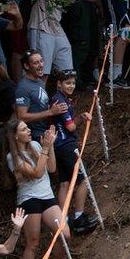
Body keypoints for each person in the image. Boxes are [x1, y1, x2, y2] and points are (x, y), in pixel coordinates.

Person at [4, 119, 67, 259]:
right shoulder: (13, 157)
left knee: (64, 233)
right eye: (24, 129)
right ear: (16, 135)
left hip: (47, 195)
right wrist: (45, 148)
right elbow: (37, 173)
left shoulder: (36, 146)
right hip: (28, 199)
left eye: (28, 127)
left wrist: (50, 145)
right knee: (33, 242)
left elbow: (52, 168)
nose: (29, 130)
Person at [29, 0, 115, 80]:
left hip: (56, 29)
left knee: (67, 70)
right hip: (41, 27)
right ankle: (38, 96)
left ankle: (62, 96)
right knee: (42, 71)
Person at [50, 70, 100, 233]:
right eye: (67, 83)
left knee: (64, 183)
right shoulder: (61, 102)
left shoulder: (59, 99)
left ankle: (64, 219)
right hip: (67, 145)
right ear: (59, 84)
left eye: (73, 83)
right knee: (85, 178)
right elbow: (70, 126)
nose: (71, 86)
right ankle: (79, 217)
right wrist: (81, 118)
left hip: (58, 146)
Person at [15, 50, 67, 140]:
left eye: (41, 61)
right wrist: (50, 112)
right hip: (36, 135)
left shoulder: (39, 81)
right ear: (27, 66)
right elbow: (21, 116)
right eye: (36, 63)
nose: (41, 65)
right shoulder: (23, 87)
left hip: (47, 129)